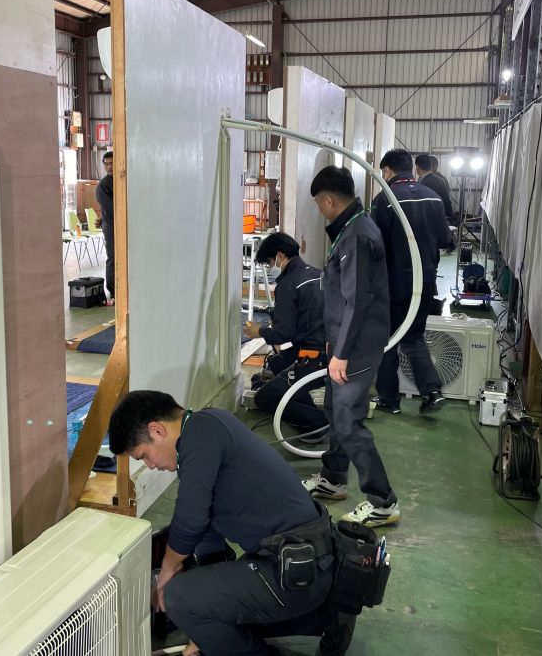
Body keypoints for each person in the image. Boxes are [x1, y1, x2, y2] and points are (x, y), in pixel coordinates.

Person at [108, 390, 352, 656]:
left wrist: (166, 575)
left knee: (178, 596)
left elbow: (190, 520)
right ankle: (326, 617)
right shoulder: (209, 425)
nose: (150, 466)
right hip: (306, 562)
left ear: (157, 430)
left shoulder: (199, 437)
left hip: (293, 572)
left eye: (144, 455)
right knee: (201, 602)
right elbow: (205, 529)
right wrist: (205, 625)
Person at [302, 165, 400, 528]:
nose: (319, 210)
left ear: (329, 200)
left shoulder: (357, 235)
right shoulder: (351, 228)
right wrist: (334, 340)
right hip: (345, 341)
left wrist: (342, 352)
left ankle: (383, 502)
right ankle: (333, 479)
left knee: (347, 420)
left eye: (318, 204)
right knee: (334, 410)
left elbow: (357, 301)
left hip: (357, 346)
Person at [371, 150, 453, 417]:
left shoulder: (385, 199)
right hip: (425, 281)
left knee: (388, 339)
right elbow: (445, 240)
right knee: (414, 337)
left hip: (395, 283)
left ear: (387, 171)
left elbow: (376, 245)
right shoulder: (433, 197)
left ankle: (389, 399)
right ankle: (432, 392)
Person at [244, 232, 329, 439]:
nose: (271, 267)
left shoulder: (288, 284)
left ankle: (318, 423)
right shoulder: (318, 274)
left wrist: (258, 332)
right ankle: (298, 396)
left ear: (280, 256)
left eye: (270, 262)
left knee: (264, 398)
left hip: (312, 358)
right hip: (331, 351)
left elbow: (283, 334)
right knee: (275, 364)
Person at [95, 150, 115, 301]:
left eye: (112, 163)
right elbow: (110, 210)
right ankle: (114, 290)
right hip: (111, 226)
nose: (109, 166)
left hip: (119, 223)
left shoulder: (122, 180)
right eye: (106, 164)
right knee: (113, 257)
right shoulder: (103, 185)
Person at [415, 153, 454, 223]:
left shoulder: (423, 184)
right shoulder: (440, 180)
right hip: (441, 217)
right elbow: (446, 200)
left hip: (430, 220)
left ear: (417, 167)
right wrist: (449, 217)